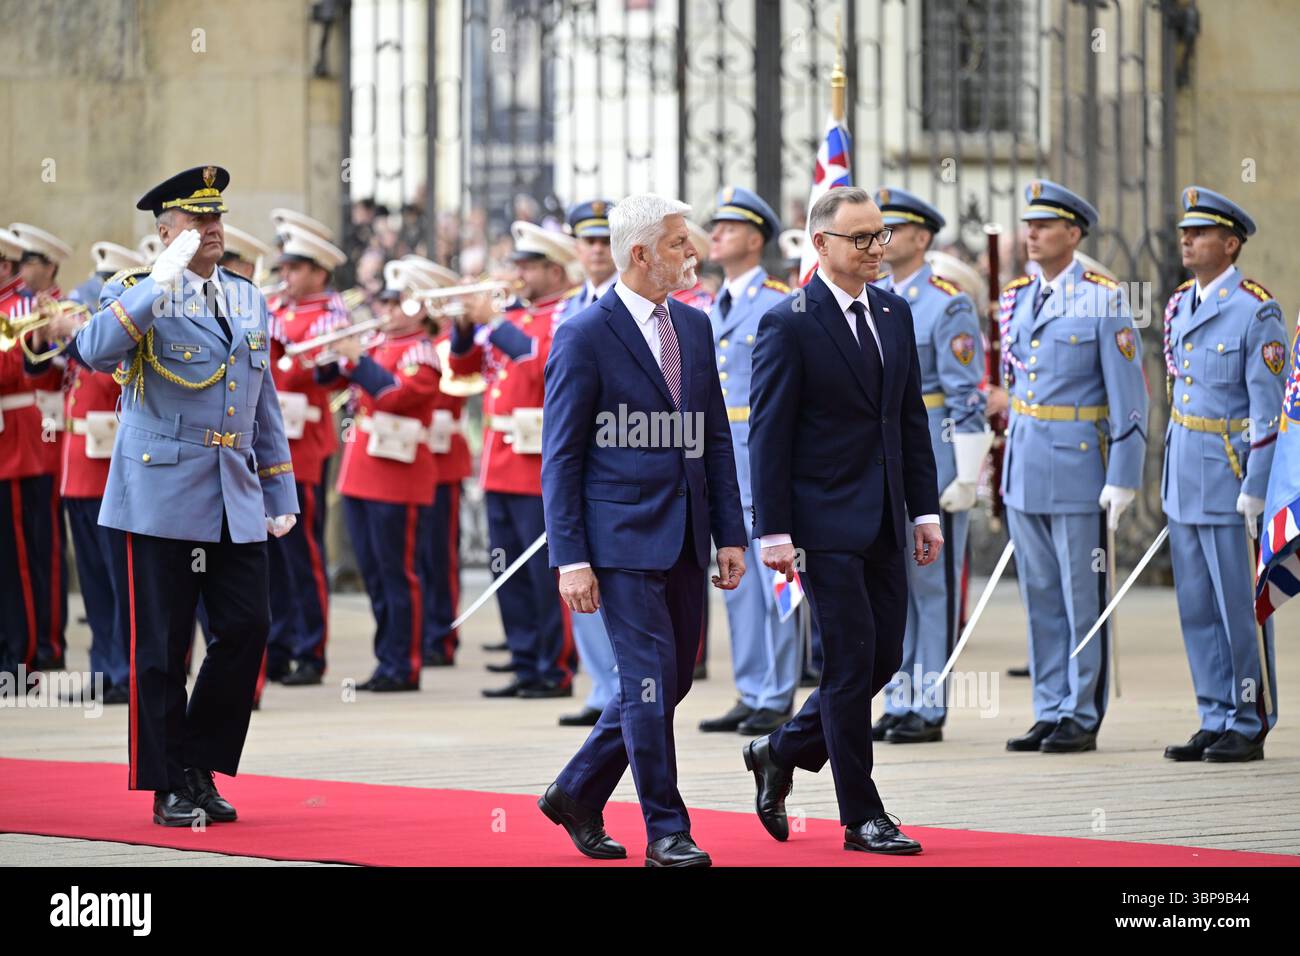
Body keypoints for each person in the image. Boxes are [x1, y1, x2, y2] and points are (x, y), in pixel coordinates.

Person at [50, 165, 298, 826]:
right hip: (160, 488)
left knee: (246, 627)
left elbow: (261, 397)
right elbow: (91, 351)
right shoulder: (137, 291)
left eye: (215, 218)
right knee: (161, 646)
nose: (210, 229)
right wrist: (157, 283)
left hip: (233, 488)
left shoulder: (247, 297)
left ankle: (197, 761)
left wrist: (279, 487)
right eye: (195, 221)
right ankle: (166, 784)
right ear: (166, 233)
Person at [538, 194, 747, 867]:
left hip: (685, 536)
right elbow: (562, 457)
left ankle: (576, 790)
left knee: (670, 680)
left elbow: (714, 438)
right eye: (682, 243)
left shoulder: (693, 326)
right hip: (618, 543)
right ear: (642, 253)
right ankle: (668, 829)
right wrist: (571, 559)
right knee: (650, 682)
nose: (695, 253)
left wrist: (731, 535)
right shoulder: (583, 334)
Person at [743, 185, 942, 855]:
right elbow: (767, 435)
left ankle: (780, 750)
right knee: (850, 664)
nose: (876, 249)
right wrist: (773, 531)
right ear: (821, 245)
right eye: (861, 238)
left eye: (880, 236)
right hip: (822, 524)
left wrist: (924, 509)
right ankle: (862, 816)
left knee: (883, 656)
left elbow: (908, 419)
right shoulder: (789, 321)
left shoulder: (894, 311)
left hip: (886, 517)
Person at [997, 180, 1148, 754]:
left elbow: (1130, 396)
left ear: (1074, 233)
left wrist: (1124, 476)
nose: (1031, 233)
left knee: (1081, 593)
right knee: (1039, 593)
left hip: (1080, 463)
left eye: (1045, 225)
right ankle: (1050, 705)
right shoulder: (1018, 295)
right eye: (1028, 224)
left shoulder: (1105, 298)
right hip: (1027, 460)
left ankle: (1082, 711)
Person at [1160, 186, 1285, 763]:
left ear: (1230, 244)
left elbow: (1269, 411)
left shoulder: (1256, 309)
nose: (1187, 240)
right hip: (1185, 472)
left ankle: (1248, 716)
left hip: (1230, 478)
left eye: (1201, 233)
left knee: (1239, 605)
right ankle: (1213, 712)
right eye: (1186, 232)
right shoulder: (1180, 301)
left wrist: (1257, 486)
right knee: (1196, 605)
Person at [870, 187, 989, 744]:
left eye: (894, 228)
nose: (882, 238)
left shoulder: (948, 302)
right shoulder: (872, 298)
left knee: (933, 586)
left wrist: (967, 473)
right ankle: (900, 697)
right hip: (887, 458)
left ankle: (930, 700)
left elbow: (966, 396)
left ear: (922, 238)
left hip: (935, 455)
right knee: (897, 587)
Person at [449, 221, 577, 699]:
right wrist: (465, 328)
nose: (518, 273)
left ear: (554, 269)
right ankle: (525, 663)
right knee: (508, 571)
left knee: (546, 574)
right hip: (501, 460)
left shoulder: (565, 312)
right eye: (517, 264)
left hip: (538, 461)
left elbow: (544, 364)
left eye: (528, 266)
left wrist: (493, 323)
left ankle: (554, 668)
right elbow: (464, 371)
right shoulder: (515, 317)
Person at [696, 186, 802, 737]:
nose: (714, 236)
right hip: (723, 462)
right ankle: (750, 687)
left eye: (727, 228)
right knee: (735, 576)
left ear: (755, 238)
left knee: (773, 579)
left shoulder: (777, 300)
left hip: (762, 455)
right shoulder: (715, 304)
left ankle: (776, 692)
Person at [326, 258, 442, 691]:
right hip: (360, 471)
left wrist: (357, 360)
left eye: (398, 303)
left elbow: (394, 398)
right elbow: (328, 383)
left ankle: (404, 663)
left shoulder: (422, 354)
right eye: (385, 302)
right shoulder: (375, 343)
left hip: (398, 476)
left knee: (397, 573)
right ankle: (385, 658)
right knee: (374, 573)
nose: (388, 311)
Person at [62, 242, 151, 704]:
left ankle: (123, 670)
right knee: (95, 583)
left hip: (110, 472)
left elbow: (108, 374)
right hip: (79, 468)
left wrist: (75, 337)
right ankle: (103, 668)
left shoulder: (128, 334)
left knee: (121, 584)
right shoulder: (98, 326)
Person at [264, 223, 350, 685]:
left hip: (304, 448)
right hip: (267, 442)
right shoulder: (273, 307)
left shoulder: (331, 315)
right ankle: (277, 644)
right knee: (270, 554)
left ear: (319, 272)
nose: (287, 276)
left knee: (303, 553)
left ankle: (310, 649)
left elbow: (324, 377)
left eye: (296, 268)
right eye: (285, 267)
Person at [553, 199, 620, 725]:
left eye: (605, 241)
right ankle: (601, 686)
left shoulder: (632, 305)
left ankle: (622, 686)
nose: (597, 250)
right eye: (589, 241)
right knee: (578, 571)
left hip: (619, 451)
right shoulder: (565, 309)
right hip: (572, 449)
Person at [5, 223, 72, 672]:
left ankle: (34, 648)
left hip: (28, 439)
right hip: (14, 439)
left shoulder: (27, 308)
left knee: (34, 553)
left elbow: (17, 370)